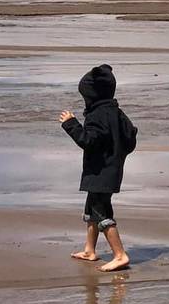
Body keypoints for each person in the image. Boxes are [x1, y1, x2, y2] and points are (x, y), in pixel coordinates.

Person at [59, 63, 139, 272]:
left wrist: (71, 124)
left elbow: (88, 141)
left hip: (100, 172)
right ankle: (89, 250)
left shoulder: (97, 116)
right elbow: (130, 138)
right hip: (111, 170)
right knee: (91, 207)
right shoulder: (117, 113)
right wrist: (117, 154)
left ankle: (120, 255)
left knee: (101, 212)